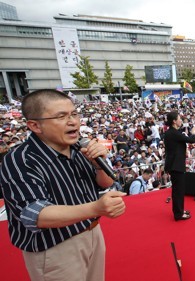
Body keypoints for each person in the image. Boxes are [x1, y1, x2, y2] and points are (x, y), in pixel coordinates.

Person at [0, 89, 125, 281]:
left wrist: (99, 164)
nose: (73, 121)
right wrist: (96, 208)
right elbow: (35, 215)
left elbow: (105, 182)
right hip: (55, 248)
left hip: (92, 233)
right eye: (61, 116)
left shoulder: (78, 147)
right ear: (35, 125)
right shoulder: (21, 160)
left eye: (74, 114)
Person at [164, 111, 195, 221]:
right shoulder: (173, 133)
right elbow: (192, 140)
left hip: (175, 165)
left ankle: (179, 210)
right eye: (179, 118)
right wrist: (193, 132)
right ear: (174, 121)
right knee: (178, 191)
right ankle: (178, 214)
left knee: (178, 190)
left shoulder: (172, 132)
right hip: (176, 166)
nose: (181, 121)